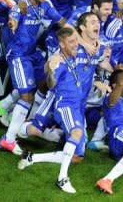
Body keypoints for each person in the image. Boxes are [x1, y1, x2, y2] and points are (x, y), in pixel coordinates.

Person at [16, 27, 105, 194]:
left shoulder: (78, 52)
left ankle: (32, 158)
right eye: (71, 42)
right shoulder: (58, 61)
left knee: (77, 156)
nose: (75, 44)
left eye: (75, 41)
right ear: (62, 45)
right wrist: (50, 71)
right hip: (65, 104)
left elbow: (91, 60)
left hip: (78, 105)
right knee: (76, 133)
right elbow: (50, 84)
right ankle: (62, 178)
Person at [0, 0, 72, 155]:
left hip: (33, 53)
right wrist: (13, 23)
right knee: (26, 97)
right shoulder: (21, 6)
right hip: (18, 55)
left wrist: (78, 35)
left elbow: (61, 22)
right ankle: (8, 139)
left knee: (46, 84)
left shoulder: (44, 4)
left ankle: (31, 122)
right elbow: (13, 15)